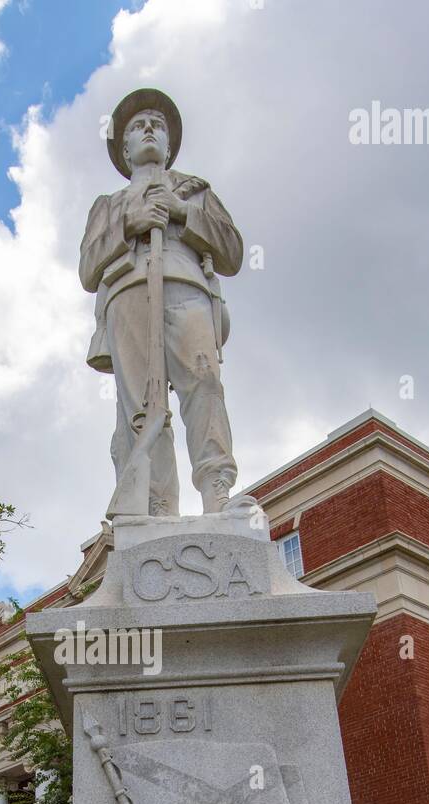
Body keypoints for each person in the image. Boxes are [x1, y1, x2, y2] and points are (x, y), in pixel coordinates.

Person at [80, 88, 244, 516]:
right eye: (138, 126)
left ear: (168, 146)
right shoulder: (108, 205)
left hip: (186, 285)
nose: (148, 129)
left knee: (203, 381)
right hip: (128, 292)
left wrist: (182, 213)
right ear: (126, 148)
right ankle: (157, 507)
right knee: (142, 404)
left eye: (157, 124)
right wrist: (127, 225)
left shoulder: (194, 191)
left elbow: (232, 253)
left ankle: (216, 489)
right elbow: (86, 269)